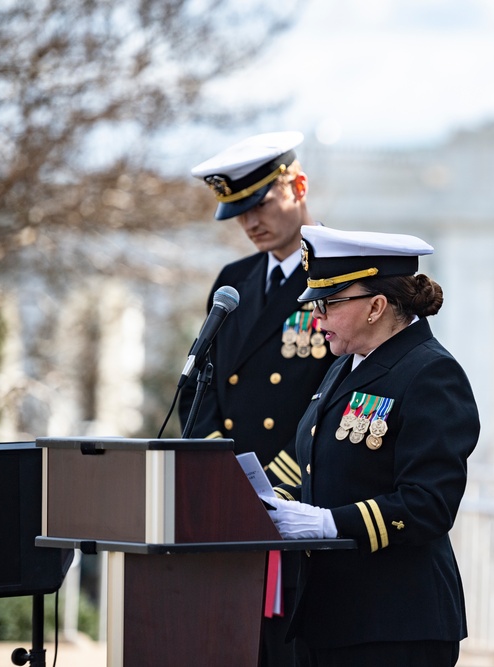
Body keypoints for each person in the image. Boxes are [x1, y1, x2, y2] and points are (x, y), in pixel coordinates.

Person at [258, 225, 480, 667]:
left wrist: (328, 525)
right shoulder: (346, 366)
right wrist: (270, 502)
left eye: (328, 304)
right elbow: (321, 467)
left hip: (396, 624)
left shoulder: (430, 374)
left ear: (377, 306)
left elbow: (428, 504)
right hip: (329, 619)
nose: (316, 318)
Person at [181, 131, 336, 667]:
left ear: (298, 186)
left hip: (304, 499)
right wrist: (212, 472)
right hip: (236, 504)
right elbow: (205, 388)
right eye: (237, 212)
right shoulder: (234, 281)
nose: (250, 223)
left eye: (261, 203)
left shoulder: (343, 271)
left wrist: (276, 482)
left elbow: (346, 387)